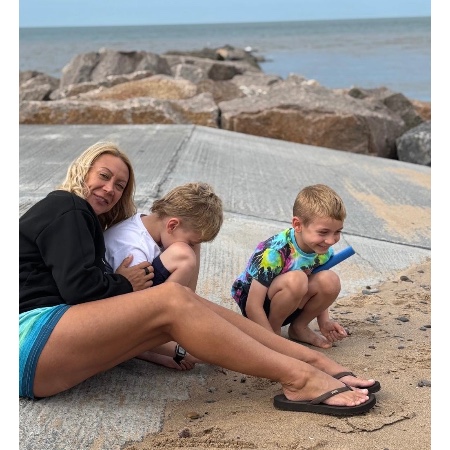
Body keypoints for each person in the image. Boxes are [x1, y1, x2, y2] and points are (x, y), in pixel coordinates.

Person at [19, 141, 379, 415]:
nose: (111, 189)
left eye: (120, 184)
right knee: (173, 299)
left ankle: (313, 363)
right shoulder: (67, 206)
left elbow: (84, 295)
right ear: (82, 170)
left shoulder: (84, 222)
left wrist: (157, 344)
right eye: (103, 176)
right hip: (29, 340)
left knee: (187, 301)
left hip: (48, 350)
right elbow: (79, 289)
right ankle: (300, 379)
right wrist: (126, 283)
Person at [103, 182, 223, 370]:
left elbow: (186, 294)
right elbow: (134, 320)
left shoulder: (151, 225)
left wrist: (195, 245)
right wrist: (183, 350)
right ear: (172, 225)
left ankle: (162, 341)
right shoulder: (133, 250)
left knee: (186, 256)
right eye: (192, 242)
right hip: (117, 319)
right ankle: (147, 350)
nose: (193, 247)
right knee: (183, 256)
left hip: (137, 305)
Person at [231, 184, 350, 349]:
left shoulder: (323, 251)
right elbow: (253, 305)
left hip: (291, 300)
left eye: (337, 232)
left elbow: (320, 286)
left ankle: (299, 328)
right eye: (323, 232)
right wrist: (271, 341)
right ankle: (273, 333)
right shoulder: (274, 252)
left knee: (330, 280)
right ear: (297, 225)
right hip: (256, 304)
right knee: (297, 279)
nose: (331, 240)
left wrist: (324, 322)